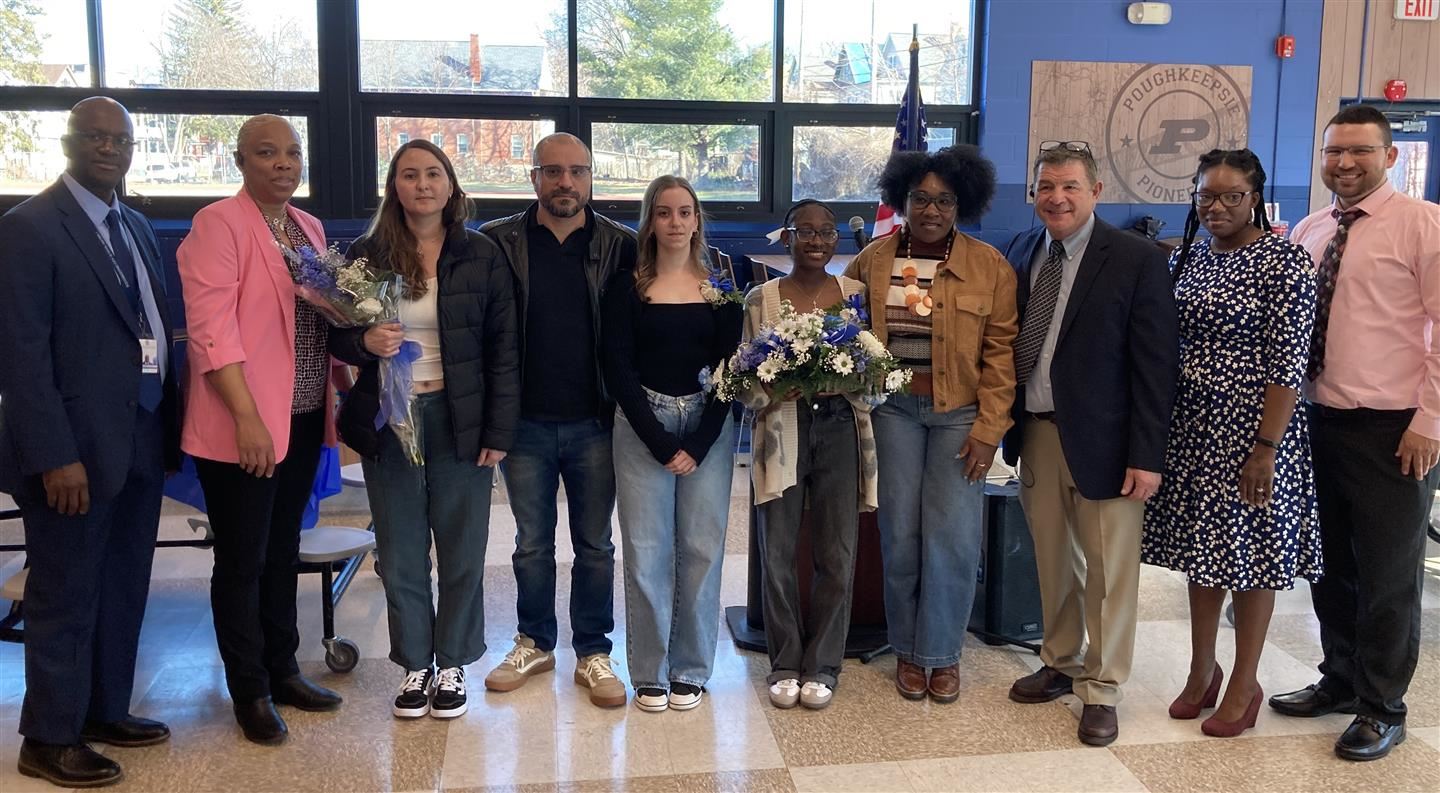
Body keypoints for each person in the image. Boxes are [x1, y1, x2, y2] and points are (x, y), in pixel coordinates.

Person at [0, 97, 179, 788]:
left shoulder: (133, 223)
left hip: (138, 430)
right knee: (65, 590)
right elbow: (20, 354)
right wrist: (53, 454)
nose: (109, 148)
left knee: (125, 583)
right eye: (94, 137)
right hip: (70, 448)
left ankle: (104, 710)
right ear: (70, 143)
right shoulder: (28, 228)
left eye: (121, 139)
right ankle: (47, 736)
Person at [1270, 105, 1440, 762]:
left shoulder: (1423, 227)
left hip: (1393, 429)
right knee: (1331, 565)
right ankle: (1339, 678)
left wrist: (1429, 421)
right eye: (1334, 150)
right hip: (1318, 420)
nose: (1344, 163)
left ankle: (1381, 705)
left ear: (1390, 156)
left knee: (1388, 574)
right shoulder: (1312, 229)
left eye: (1359, 151)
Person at [330, 140, 520, 720]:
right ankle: (416, 665)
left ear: (451, 185)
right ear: (395, 187)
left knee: (462, 549)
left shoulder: (482, 254)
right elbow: (334, 335)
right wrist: (363, 342)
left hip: (461, 419)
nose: (422, 184)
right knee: (402, 550)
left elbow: (504, 349)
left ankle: (455, 662)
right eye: (409, 175)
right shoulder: (367, 255)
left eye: (433, 173)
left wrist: (499, 428)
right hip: (392, 419)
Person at [1001, 140, 1179, 747]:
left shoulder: (1136, 259)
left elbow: (1157, 367)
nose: (1056, 197)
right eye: (1046, 186)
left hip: (1110, 442)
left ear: (1096, 191)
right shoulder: (1023, 249)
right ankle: (1059, 661)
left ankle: (1101, 688)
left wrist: (1147, 456)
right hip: (1038, 430)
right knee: (1053, 560)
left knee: (1108, 572)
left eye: (1070, 186)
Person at [177, 114, 347, 745]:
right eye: (266, 153)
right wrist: (248, 419)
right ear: (241, 160)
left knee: (284, 551)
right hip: (244, 424)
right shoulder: (218, 225)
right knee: (242, 559)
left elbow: (319, 319)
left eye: (292, 152)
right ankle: (248, 689)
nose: (283, 163)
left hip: (302, 416)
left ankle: (284, 670)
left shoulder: (308, 228)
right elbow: (211, 331)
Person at [1142, 149, 1321, 738]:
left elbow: (1287, 363)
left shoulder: (1284, 261)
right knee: (1203, 554)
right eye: (1205, 196)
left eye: (1230, 196)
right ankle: (1202, 672)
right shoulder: (1190, 257)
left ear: (1256, 198)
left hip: (1254, 432)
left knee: (1252, 559)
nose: (1216, 207)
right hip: (1194, 428)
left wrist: (1266, 447)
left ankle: (1244, 683)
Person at [843, 146, 1018, 704]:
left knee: (953, 538)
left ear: (961, 203)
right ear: (902, 200)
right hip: (892, 411)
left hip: (959, 417)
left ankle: (940, 655)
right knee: (900, 535)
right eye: (921, 198)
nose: (932, 209)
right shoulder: (871, 261)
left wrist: (990, 429)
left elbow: (1001, 352)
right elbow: (841, 330)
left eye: (944, 200)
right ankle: (906, 648)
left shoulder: (989, 265)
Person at [479, 132, 637, 708]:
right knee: (530, 544)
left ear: (591, 177)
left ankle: (594, 651)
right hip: (523, 423)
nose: (565, 182)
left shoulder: (622, 245)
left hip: (596, 420)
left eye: (577, 171)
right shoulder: (498, 243)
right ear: (535, 178)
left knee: (595, 544)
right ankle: (534, 641)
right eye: (553, 171)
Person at [600, 176, 741, 712]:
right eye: (664, 213)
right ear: (650, 221)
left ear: (698, 219)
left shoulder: (720, 287)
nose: (676, 223)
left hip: (708, 425)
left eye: (685, 212)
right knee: (646, 552)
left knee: (702, 550)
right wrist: (660, 442)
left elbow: (732, 369)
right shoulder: (626, 287)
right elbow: (618, 368)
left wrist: (700, 443)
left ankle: (691, 667)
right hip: (642, 426)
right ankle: (650, 670)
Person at [747, 199, 872, 710]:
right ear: (788, 236)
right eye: (806, 231)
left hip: (840, 427)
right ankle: (784, 661)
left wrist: (844, 376)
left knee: (836, 551)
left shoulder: (856, 294)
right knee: (777, 550)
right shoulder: (761, 297)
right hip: (783, 428)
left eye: (827, 232)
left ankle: (823, 663)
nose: (817, 241)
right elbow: (743, 376)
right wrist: (775, 391)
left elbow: (872, 370)